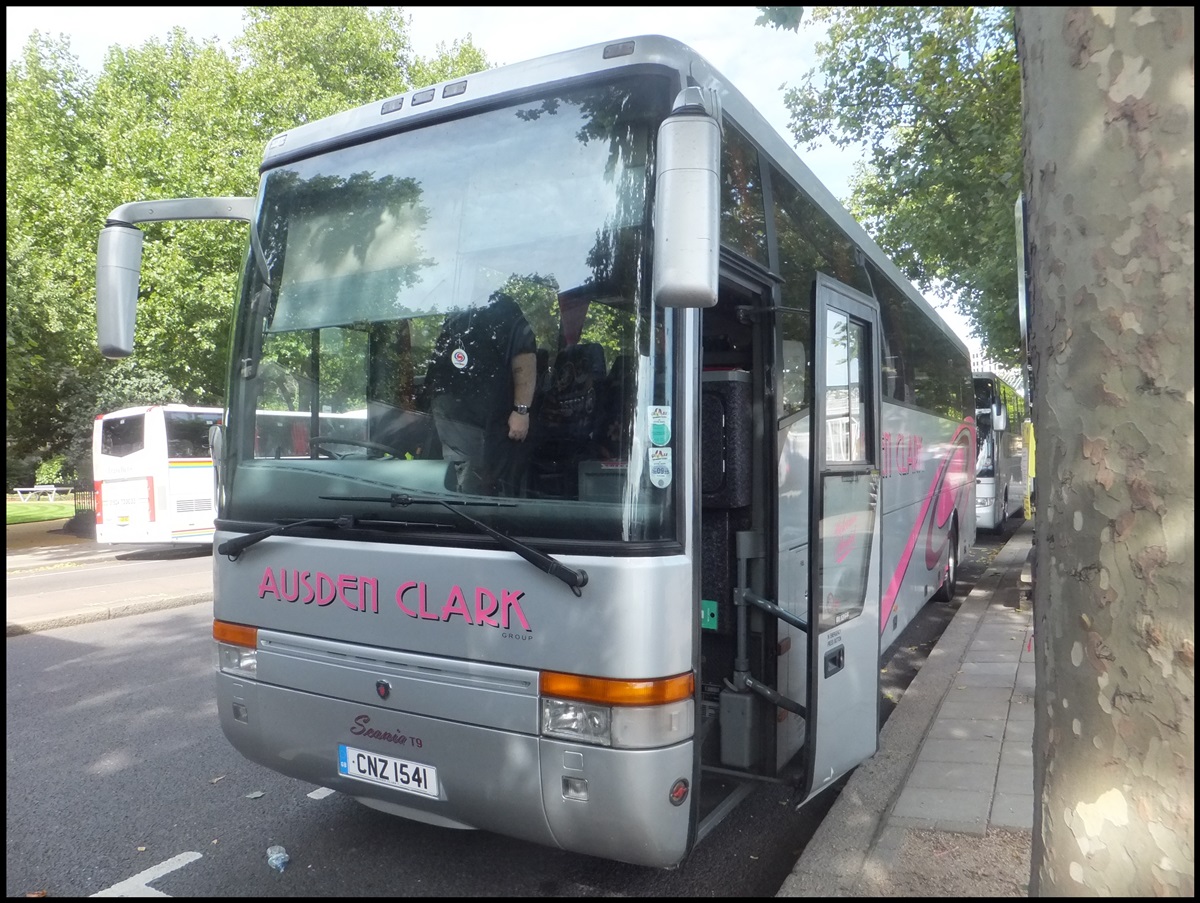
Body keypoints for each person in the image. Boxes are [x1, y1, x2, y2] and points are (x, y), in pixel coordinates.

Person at [426, 289, 537, 495]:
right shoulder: (453, 311)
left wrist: (521, 410)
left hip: (488, 423)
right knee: (454, 482)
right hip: (450, 419)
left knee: (478, 485)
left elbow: (525, 355)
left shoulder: (500, 305)